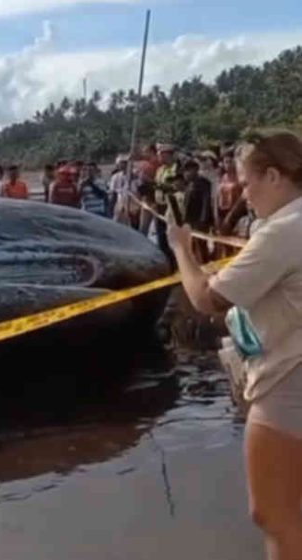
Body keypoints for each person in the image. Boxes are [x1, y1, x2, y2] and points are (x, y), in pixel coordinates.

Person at [167, 128, 302, 560]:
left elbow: (207, 298)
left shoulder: (284, 230)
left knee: (273, 515)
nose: (244, 194)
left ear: (276, 177)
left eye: (248, 182)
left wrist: (183, 251)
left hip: (288, 379)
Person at [181, 159, 213, 262]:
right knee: (192, 247)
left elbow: (206, 202)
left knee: (201, 246)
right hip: (190, 222)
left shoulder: (203, 184)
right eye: (185, 171)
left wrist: (203, 220)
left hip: (200, 221)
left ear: (195, 169)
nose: (185, 174)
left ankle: (205, 265)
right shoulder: (189, 185)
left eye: (188, 170)